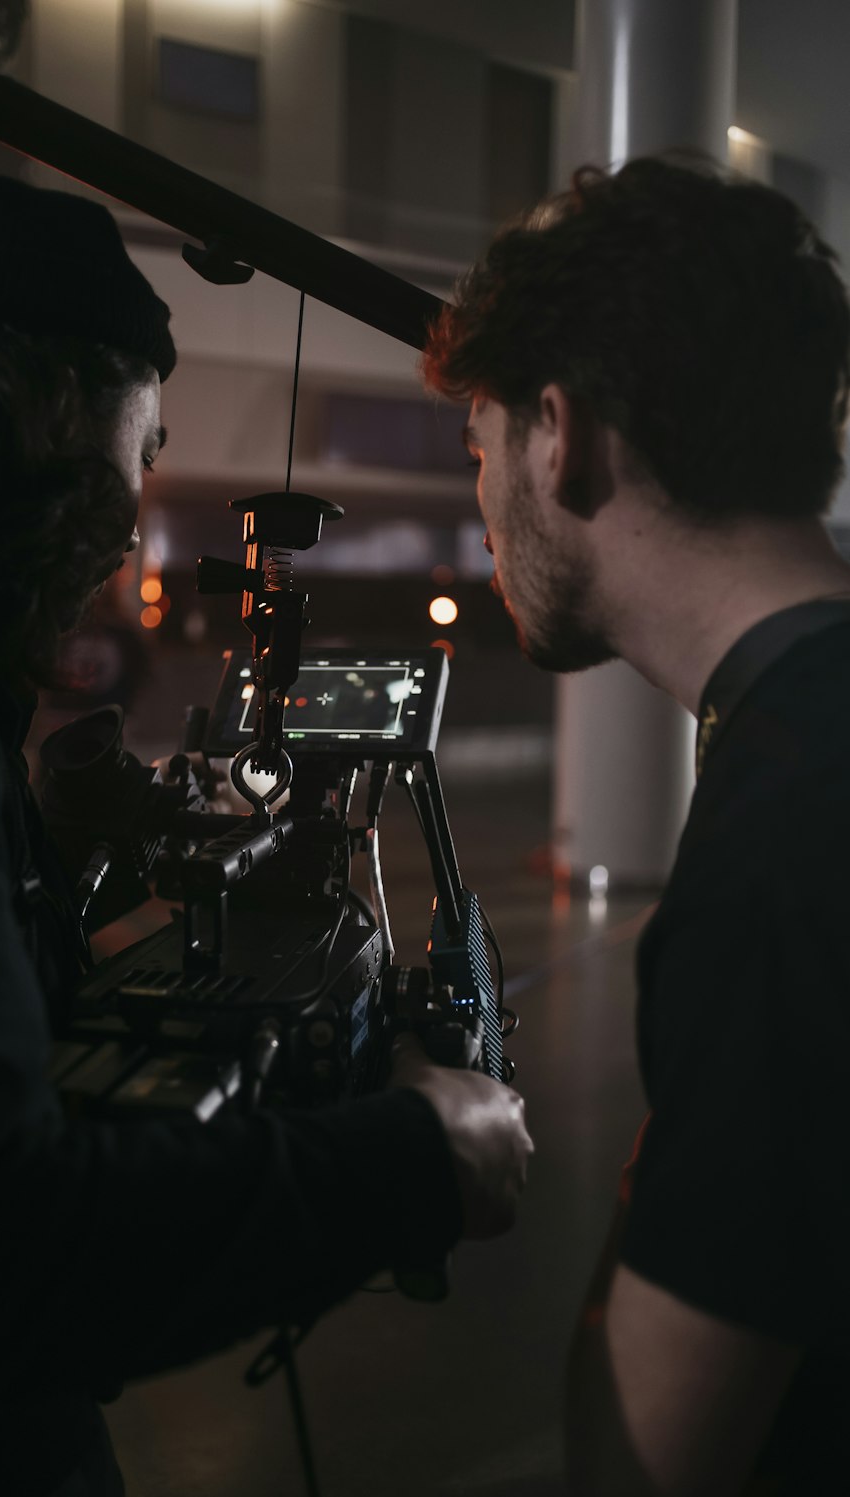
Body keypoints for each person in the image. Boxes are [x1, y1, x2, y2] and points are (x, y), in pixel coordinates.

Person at [0, 174, 532, 1496]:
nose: (127, 515)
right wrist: (410, 1160)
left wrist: (48, 854)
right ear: (43, 409)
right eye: (141, 444)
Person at [424, 154, 850, 1496]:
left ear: (563, 433)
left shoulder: (784, 843)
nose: (483, 508)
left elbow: (645, 1459)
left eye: (482, 447)